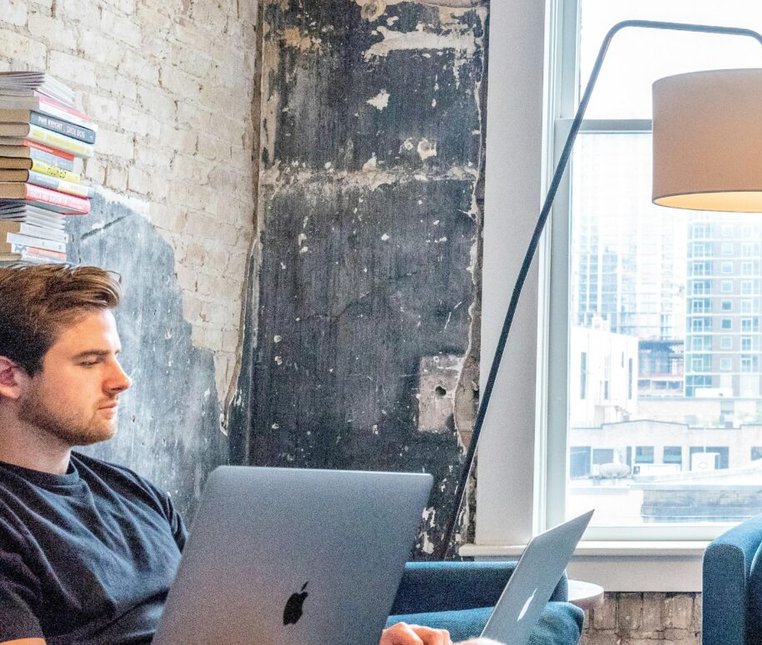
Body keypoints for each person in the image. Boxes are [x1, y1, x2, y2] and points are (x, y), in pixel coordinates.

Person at [0, 264, 491, 645]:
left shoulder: (131, 491)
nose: (121, 379)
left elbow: (227, 616)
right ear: (9, 376)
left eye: (116, 356)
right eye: (90, 362)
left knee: (543, 608)